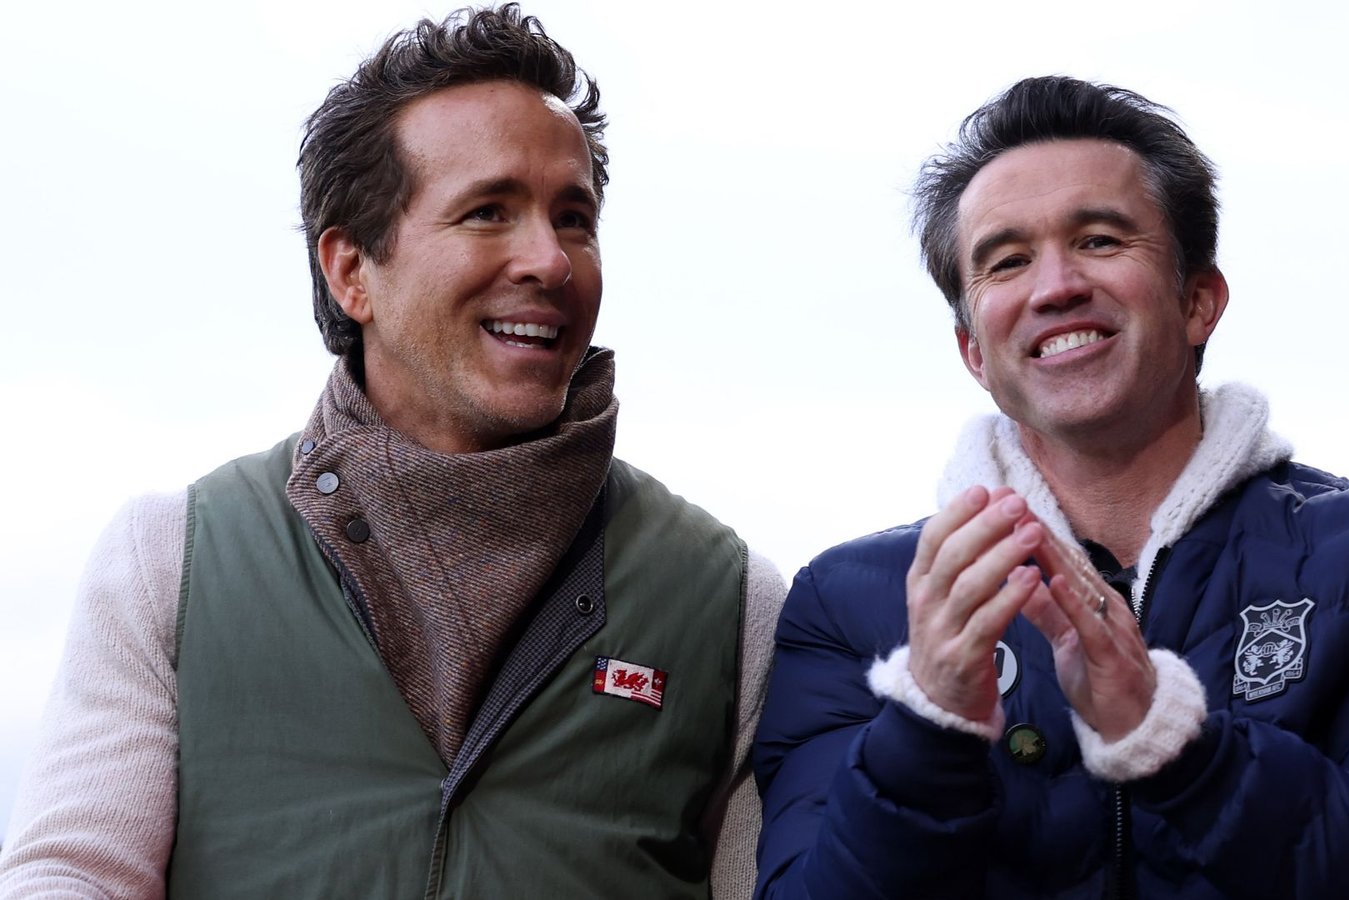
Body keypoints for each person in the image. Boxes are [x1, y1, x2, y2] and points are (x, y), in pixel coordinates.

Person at [0, 5, 783, 897]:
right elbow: (72, 874)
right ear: (351, 271)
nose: (551, 260)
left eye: (574, 218)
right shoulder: (169, 560)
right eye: (488, 212)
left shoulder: (732, 603)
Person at [752, 76, 1349, 899]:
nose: (1055, 286)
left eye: (1100, 240)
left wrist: (1177, 747)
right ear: (973, 352)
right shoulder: (847, 604)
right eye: (1008, 261)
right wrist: (927, 726)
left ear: (1199, 301)